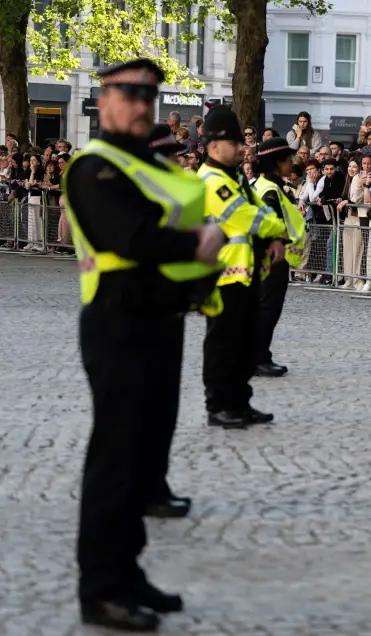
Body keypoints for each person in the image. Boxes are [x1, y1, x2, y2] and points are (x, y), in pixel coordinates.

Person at [62, 58, 226, 631]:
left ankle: (127, 573)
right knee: (116, 459)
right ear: (103, 99)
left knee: (143, 456)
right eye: (128, 91)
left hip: (161, 322)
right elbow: (128, 235)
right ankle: (100, 589)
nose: (140, 102)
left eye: (149, 94)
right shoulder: (95, 166)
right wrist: (198, 241)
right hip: (117, 323)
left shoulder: (144, 165)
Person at [199, 105, 288, 429]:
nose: (241, 148)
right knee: (223, 343)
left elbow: (257, 208)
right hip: (222, 275)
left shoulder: (234, 176)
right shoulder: (211, 179)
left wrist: (273, 230)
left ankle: (239, 401)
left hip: (245, 272)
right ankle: (219, 405)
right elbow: (244, 216)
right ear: (214, 146)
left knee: (244, 341)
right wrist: (275, 229)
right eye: (234, 142)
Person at [254, 138, 307, 377]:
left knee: (265, 308)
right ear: (277, 163)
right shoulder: (270, 191)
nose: (291, 163)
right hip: (273, 259)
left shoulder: (268, 185)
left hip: (270, 258)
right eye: (287, 159)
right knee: (268, 309)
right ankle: (258, 357)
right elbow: (270, 225)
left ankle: (258, 355)